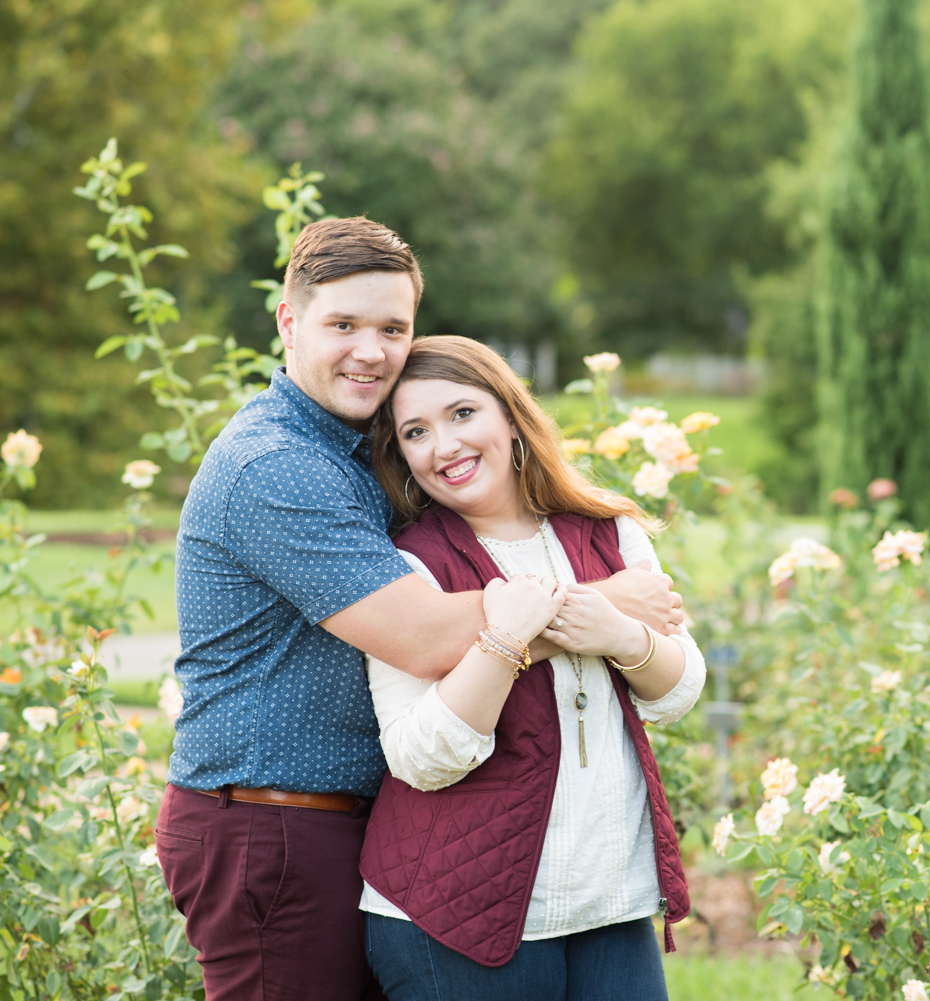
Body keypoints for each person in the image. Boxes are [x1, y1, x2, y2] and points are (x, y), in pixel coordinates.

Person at [153, 218, 683, 1001]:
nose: (371, 350)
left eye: (392, 327)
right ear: (288, 322)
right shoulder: (276, 466)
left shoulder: (359, 446)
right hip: (273, 825)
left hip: (350, 822)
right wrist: (605, 602)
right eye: (343, 325)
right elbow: (426, 637)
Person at [357, 336, 703, 1001]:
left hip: (610, 901)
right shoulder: (410, 569)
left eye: (463, 413)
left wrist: (620, 633)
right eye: (416, 432)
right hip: (454, 912)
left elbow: (680, 686)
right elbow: (423, 756)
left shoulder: (610, 531)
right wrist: (511, 636)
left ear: (510, 416)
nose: (445, 445)